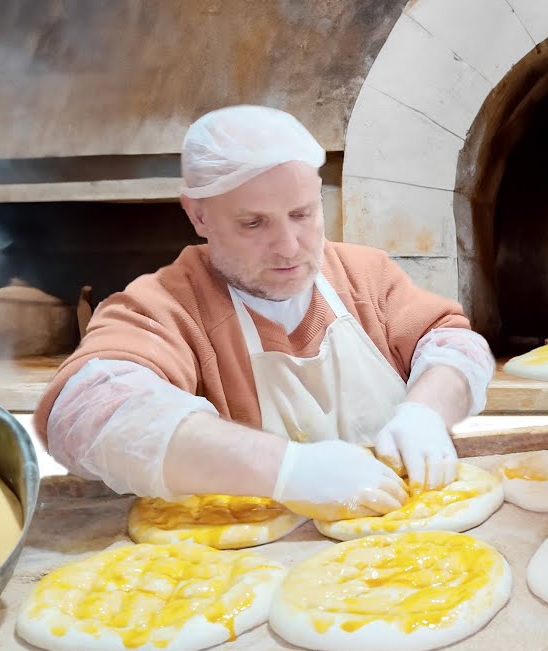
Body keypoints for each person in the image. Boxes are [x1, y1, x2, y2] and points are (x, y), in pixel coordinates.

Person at [32, 105, 494, 521]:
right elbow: (83, 412)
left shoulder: (363, 275)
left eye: (302, 214)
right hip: (247, 573)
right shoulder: (165, 305)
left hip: (411, 550)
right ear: (198, 215)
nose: (289, 247)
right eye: (254, 223)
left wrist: (426, 413)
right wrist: (286, 469)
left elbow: (455, 345)